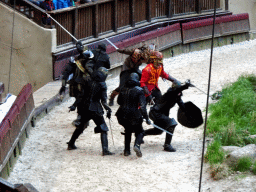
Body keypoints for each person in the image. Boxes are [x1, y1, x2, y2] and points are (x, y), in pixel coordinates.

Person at [67, 67, 114, 156]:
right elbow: (103, 101)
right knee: (103, 128)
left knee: (81, 126)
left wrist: (74, 105)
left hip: (84, 108)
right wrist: (108, 109)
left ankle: (71, 143)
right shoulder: (102, 85)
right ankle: (105, 150)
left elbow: (80, 96)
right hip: (95, 109)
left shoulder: (87, 80)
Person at [144, 80, 201, 152]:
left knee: (158, 131)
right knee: (172, 123)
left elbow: (183, 107)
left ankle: (141, 133)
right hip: (155, 113)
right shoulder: (169, 93)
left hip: (161, 114)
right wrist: (185, 86)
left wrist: (190, 116)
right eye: (179, 90)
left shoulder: (177, 96)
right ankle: (167, 145)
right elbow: (176, 91)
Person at [115, 73, 151, 157]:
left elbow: (119, 102)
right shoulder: (139, 90)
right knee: (140, 131)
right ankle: (136, 145)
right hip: (134, 115)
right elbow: (142, 107)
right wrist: (146, 118)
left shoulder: (123, 88)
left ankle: (126, 151)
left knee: (128, 130)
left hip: (121, 115)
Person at [59, 41, 93, 127]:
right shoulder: (79, 62)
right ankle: (81, 116)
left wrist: (63, 86)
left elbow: (65, 74)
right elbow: (66, 73)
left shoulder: (82, 61)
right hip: (80, 84)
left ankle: (82, 116)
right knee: (83, 100)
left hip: (82, 84)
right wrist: (63, 85)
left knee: (82, 100)